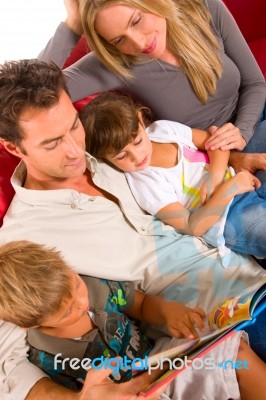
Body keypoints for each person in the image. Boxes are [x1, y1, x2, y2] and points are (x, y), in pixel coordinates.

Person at [0, 59, 265, 399]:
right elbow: (8, 364)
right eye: (52, 144)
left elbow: (181, 162)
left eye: (73, 127)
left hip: (245, 264)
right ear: (12, 148)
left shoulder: (110, 150)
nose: (73, 150)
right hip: (215, 320)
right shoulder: (18, 241)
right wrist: (80, 398)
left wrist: (235, 160)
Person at [0, 240, 266, 400]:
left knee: (231, 350)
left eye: (76, 285)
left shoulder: (98, 286)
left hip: (160, 359)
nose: (82, 302)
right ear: (31, 324)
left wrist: (167, 312)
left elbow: (139, 303)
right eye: (67, 311)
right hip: (129, 393)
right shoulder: (45, 356)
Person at [39, 0, 265, 155]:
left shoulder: (201, 7)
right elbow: (30, 91)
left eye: (136, 20)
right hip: (212, 153)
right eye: (119, 40)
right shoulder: (113, 64)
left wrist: (243, 131)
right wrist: (73, 24)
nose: (139, 43)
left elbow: (254, 83)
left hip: (255, 118)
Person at [81, 92, 266, 263]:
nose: (137, 157)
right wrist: (230, 188)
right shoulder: (144, 184)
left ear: (140, 117)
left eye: (137, 141)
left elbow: (216, 143)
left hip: (239, 176)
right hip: (226, 215)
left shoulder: (163, 130)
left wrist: (215, 179)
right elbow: (192, 226)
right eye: (121, 156)